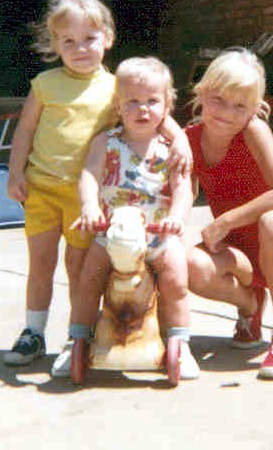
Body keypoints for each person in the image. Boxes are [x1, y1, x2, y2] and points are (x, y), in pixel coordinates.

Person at [2, 0, 190, 375]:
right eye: (68, 41)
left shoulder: (116, 87)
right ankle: (33, 332)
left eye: (89, 38)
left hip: (86, 197)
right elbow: (25, 130)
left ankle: (78, 338)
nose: (80, 48)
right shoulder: (45, 83)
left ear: (107, 38)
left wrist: (181, 139)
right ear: (55, 44)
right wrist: (15, 172)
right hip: (42, 188)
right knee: (40, 264)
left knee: (79, 269)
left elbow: (156, 110)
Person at [185, 47, 273, 379]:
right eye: (218, 99)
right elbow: (184, 193)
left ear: (255, 108)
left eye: (240, 105)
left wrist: (226, 220)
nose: (226, 113)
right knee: (188, 264)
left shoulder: (254, 131)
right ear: (201, 92)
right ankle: (249, 306)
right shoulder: (189, 139)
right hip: (236, 250)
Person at [69, 56, 199, 379]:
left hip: (157, 233)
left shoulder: (172, 149)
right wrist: (90, 206)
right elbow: (89, 176)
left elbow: (183, 189)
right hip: (112, 233)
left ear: (167, 105)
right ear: (118, 106)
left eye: (152, 101)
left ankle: (180, 342)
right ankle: (77, 338)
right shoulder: (106, 142)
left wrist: (176, 218)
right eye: (132, 102)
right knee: (89, 278)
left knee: (176, 278)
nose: (143, 110)